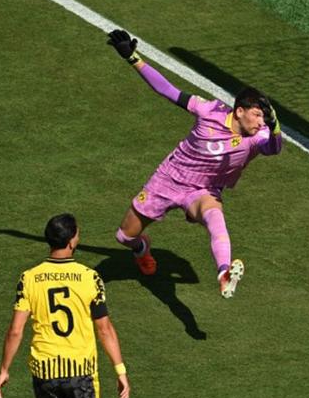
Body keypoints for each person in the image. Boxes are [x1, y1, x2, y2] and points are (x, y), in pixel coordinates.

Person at [106, 29, 283, 299]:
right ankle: (142, 250)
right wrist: (133, 58)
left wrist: (275, 126)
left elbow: (274, 148)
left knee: (215, 217)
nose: (261, 123)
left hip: (203, 189)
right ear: (239, 111)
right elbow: (167, 90)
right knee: (124, 237)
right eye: (257, 115)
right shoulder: (208, 110)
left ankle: (224, 273)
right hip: (168, 178)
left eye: (264, 118)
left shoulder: (259, 136)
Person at [0, 213, 130, 398]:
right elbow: (104, 329)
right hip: (79, 371)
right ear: (71, 241)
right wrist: (120, 370)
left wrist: (5, 370)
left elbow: (16, 330)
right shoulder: (90, 278)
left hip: (45, 370)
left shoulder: (29, 278)